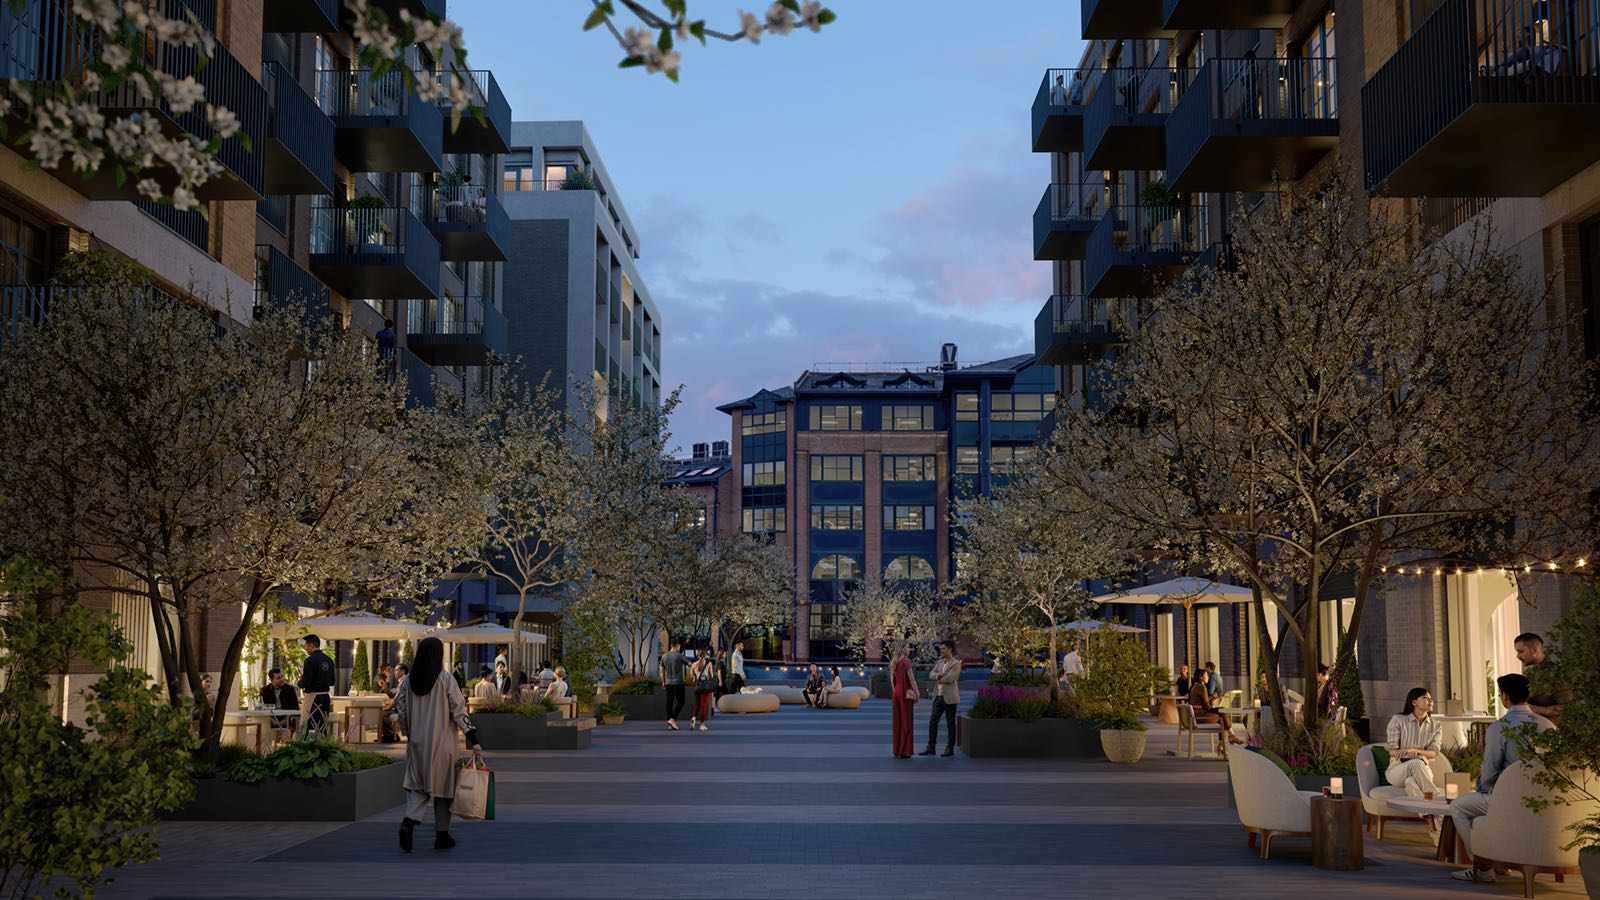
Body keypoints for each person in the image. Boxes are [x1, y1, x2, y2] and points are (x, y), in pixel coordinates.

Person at [1450, 673, 1554, 883]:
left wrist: (1480, 787)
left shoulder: (1500, 727)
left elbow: (1489, 773)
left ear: (1504, 696)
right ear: (1527, 695)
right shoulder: (1548, 726)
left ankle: (1483, 867)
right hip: (1546, 800)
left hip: (1510, 798)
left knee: (1458, 807)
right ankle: (1498, 860)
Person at [395, 636, 481, 853]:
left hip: (416, 744)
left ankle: (408, 821)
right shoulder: (445, 679)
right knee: (444, 788)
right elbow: (458, 710)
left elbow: (401, 709)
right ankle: (442, 834)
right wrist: (473, 738)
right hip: (443, 744)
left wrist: (407, 732)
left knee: (417, 786)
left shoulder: (407, 680)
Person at [1385, 687, 1443, 796]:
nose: (1430, 701)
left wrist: (1415, 751)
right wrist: (1408, 754)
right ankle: (1436, 797)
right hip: (1397, 770)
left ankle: (1427, 813)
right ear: (1414, 702)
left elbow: (1433, 753)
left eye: (1431, 699)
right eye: (1425, 698)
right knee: (1416, 762)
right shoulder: (1398, 720)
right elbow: (1392, 751)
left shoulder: (1436, 726)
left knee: (1410, 782)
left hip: (1423, 769)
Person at [1514, 632, 1571, 725]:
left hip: (1553, 733)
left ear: (1534, 650)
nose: (1518, 656)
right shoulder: (1531, 675)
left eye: (1521, 651)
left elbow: (1568, 709)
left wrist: (1531, 708)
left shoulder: (1556, 675)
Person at [921, 640, 962, 757]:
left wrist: (938, 677)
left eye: (943, 648)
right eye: (941, 648)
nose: (941, 650)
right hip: (938, 696)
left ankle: (949, 749)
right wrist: (939, 675)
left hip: (950, 697)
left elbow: (950, 679)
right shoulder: (939, 662)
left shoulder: (956, 664)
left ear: (950, 649)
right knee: (933, 722)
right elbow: (931, 674)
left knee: (950, 724)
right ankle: (931, 747)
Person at [1188, 670, 1245, 754]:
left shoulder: (1193, 686)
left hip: (1195, 716)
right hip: (1199, 717)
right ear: (1201, 677)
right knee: (1222, 716)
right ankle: (1229, 738)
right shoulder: (1201, 687)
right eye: (1206, 675)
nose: (1208, 677)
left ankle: (1226, 741)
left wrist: (1212, 700)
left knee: (1222, 710)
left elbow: (1204, 705)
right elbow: (1207, 707)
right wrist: (1214, 699)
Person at [298, 634, 335, 737]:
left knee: (306, 724)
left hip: (313, 697)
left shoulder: (309, 660)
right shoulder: (329, 660)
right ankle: (322, 747)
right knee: (322, 725)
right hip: (326, 697)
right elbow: (332, 682)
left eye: (306, 646)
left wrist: (299, 682)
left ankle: (306, 748)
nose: (305, 649)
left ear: (311, 645)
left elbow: (306, 682)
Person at [891, 641, 918, 758]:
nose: (909, 649)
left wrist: (895, 692)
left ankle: (897, 749)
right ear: (902, 649)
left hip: (896, 692)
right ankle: (904, 750)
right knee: (906, 720)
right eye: (907, 647)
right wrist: (917, 693)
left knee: (898, 721)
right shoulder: (906, 661)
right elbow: (911, 679)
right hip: (905, 691)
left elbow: (893, 681)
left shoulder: (894, 662)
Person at [660, 638, 688, 731]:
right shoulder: (679, 656)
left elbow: (661, 671)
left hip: (668, 683)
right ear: (676, 646)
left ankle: (670, 722)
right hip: (679, 683)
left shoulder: (664, 656)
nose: (680, 648)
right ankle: (673, 719)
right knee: (681, 702)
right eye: (679, 646)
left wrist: (663, 682)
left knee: (669, 702)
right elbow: (690, 664)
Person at [690, 654, 718, 730]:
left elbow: (692, 677)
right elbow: (711, 676)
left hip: (697, 687)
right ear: (705, 656)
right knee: (704, 706)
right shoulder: (709, 663)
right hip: (705, 686)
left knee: (697, 704)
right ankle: (702, 724)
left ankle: (693, 718)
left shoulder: (693, 664)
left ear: (698, 656)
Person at [385, 663, 408, 740]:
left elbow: (396, 699)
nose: (394, 672)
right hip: (399, 708)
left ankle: (390, 735)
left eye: (396, 670)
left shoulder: (404, 681)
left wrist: (388, 707)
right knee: (383, 713)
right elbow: (393, 694)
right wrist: (384, 687)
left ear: (402, 671)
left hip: (402, 710)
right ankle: (390, 734)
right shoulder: (402, 681)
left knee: (382, 714)